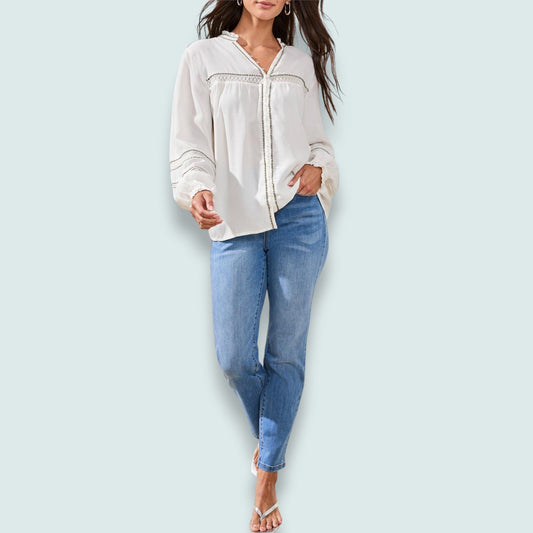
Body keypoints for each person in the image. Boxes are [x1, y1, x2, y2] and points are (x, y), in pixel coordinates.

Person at [168, 1, 341, 531]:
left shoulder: (299, 64)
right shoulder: (203, 58)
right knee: (234, 358)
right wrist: (196, 189)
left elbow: (319, 144)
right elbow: (189, 143)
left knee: (286, 354)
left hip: (300, 219)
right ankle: (271, 437)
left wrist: (320, 169)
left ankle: (266, 478)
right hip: (235, 221)